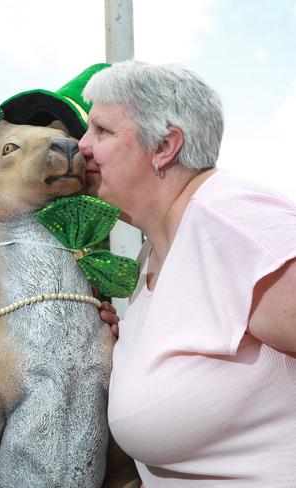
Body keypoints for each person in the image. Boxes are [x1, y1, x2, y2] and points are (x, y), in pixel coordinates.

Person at [77, 60, 296, 486]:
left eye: (101, 131)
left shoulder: (231, 221)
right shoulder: (150, 259)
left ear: (164, 146)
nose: (82, 145)